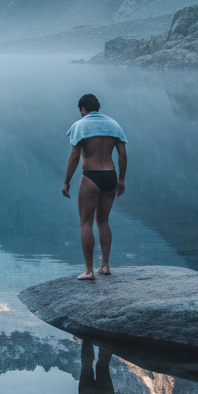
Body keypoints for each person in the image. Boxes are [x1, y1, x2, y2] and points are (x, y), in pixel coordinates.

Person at [62, 93, 127, 280]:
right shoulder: (113, 125)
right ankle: (105, 266)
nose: (80, 113)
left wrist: (67, 181)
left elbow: (74, 156)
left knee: (86, 223)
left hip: (90, 176)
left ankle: (89, 271)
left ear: (83, 109)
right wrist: (121, 180)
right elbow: (122, 154)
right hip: (110, 176)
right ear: (97, 107)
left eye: (80, 110)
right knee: (103, 221)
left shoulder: (80, 126)